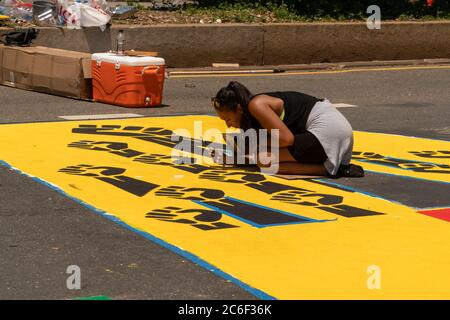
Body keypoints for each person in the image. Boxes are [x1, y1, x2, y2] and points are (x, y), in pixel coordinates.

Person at [210, 81, 364, 177]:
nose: (228, 125)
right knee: (265, 163)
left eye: (228, 119)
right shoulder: (251, 113)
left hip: (328, 132)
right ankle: (331, 167)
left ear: (238, 109)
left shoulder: (256, 105)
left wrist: (255, 145)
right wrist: (233, 158)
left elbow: (286, 139)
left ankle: (328, 170)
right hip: (332, 133)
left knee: (265, 161)